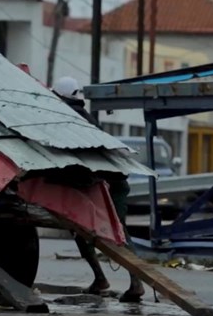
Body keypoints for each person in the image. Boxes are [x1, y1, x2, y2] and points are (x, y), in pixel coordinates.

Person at [52, 76, 145, 302]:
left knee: (118, 233)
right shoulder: (77, 115)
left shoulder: (72, 118)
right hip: (100, 183)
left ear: (58, 96)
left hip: (109, 184)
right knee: (82, 232)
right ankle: (101, 279)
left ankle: (136, 283)